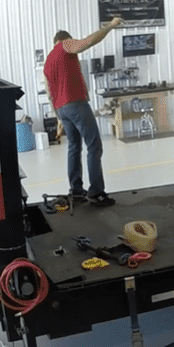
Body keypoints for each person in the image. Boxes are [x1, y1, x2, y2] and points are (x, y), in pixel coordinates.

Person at [44, 16, 123, 207]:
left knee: (74, 147)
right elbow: (88, 42)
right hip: (76, 104)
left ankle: (77, 190)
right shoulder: (64, 45)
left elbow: (49, 93)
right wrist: (110, 26)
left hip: (61, 109)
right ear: (64, 40)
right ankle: (96, 192)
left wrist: (59, 120)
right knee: (94, 145)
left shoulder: (47, 62)